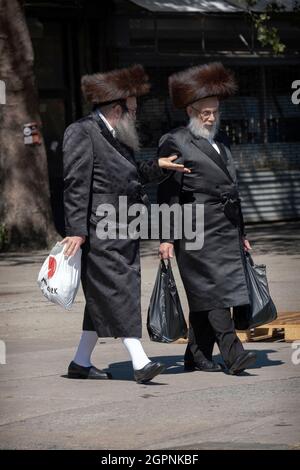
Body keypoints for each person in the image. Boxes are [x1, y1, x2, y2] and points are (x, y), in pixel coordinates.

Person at [61, 64, 190, 384]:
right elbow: (75, 184)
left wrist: (158, 167)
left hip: (124, 227)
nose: (136, 115)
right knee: (121, 291)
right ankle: (140, 360)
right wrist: (76, 231)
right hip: (99, 230)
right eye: (132, 110)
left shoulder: (117, 136)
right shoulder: (82, 131)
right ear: (116, 109)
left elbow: (131, 178)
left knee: (103, 297)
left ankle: (80, 362)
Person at [157, 62, 257, 375]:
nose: (211, 117)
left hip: (225, 230)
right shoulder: (175, 141)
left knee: (206, 294)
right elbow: (168, 192)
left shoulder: (221, 145)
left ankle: (196, 355)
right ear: (190, 111)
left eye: (214, 111)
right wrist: (165, 237)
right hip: (195, 231)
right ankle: (234, 353)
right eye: (205, 112)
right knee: (215, 293)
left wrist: (242, 233)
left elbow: (234, 193)